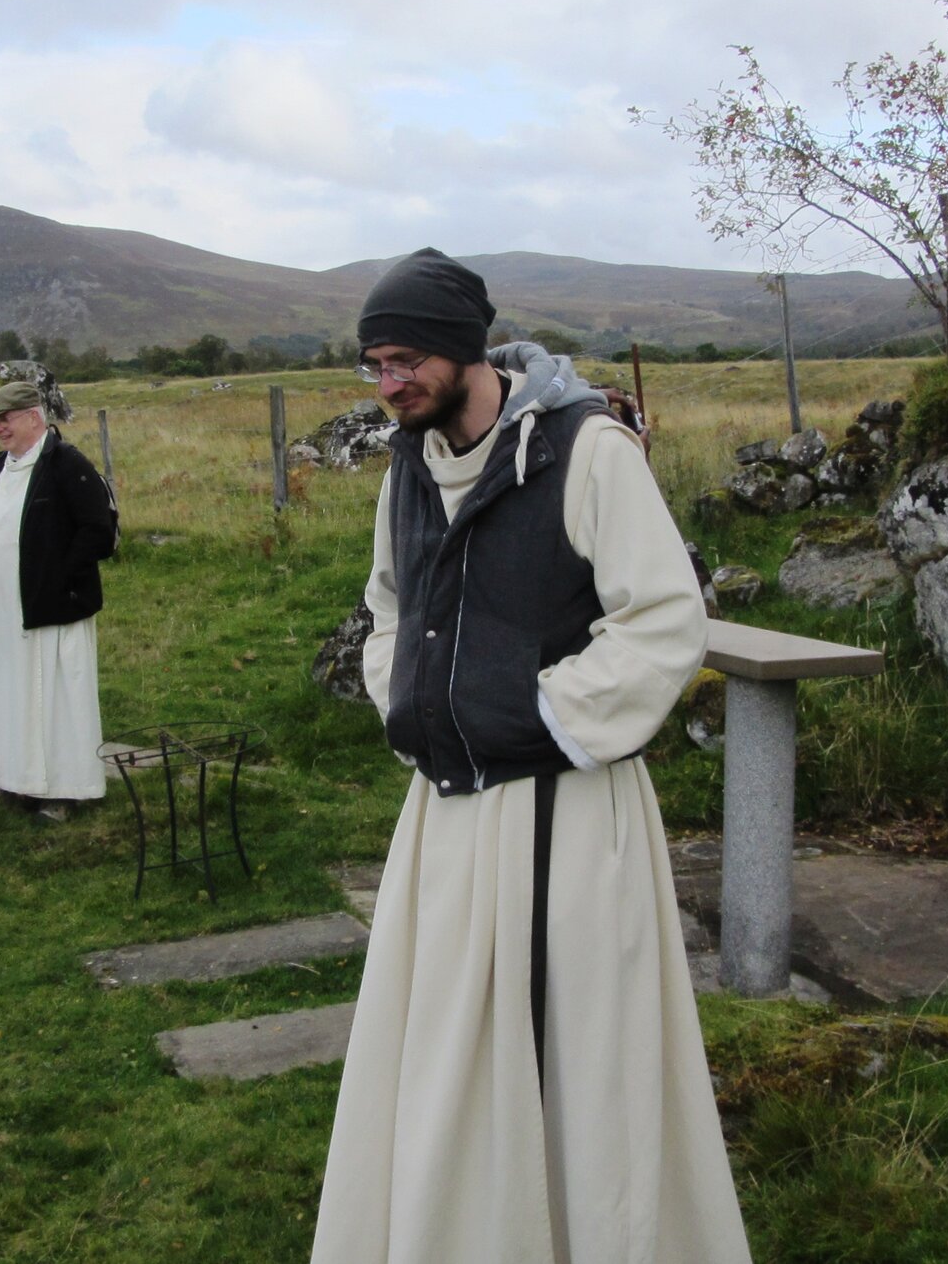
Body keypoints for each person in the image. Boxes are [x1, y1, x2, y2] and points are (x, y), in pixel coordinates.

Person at [311, 250, 751, 1262]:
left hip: (566, 811)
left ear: (464, 350)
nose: (389, 383)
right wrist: (411, 701)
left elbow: (663, 620)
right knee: (443, 1049)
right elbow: (388, 604)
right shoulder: (410, 466)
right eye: (374, 363)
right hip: (447, 817)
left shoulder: (587, 450)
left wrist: (541, 712)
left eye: (406, 358)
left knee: (576, 1057)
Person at [0, 381, 117, 819]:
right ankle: (14, 778)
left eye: (4, 419)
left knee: (55, 697)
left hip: (50, 609)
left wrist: (57, 576)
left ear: (33, 416)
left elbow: (99, 532)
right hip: (1, 612)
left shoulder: (66, 464)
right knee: (8, 692)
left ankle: (62, 790)